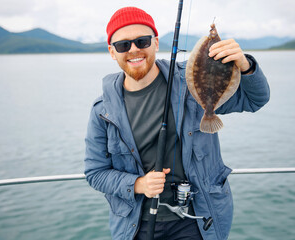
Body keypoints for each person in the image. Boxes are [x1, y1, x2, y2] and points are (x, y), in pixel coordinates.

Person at [84, 6, 270, 240]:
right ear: (112, 52)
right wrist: (138, 184)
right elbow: (95, 172)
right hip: (136, 224)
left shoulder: (191, 83)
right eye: (123, 45)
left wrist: (246, 66)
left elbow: (255, 100)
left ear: (156, 42)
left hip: (197, 220)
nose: (134, 50)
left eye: (142, 41)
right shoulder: (102, 111)